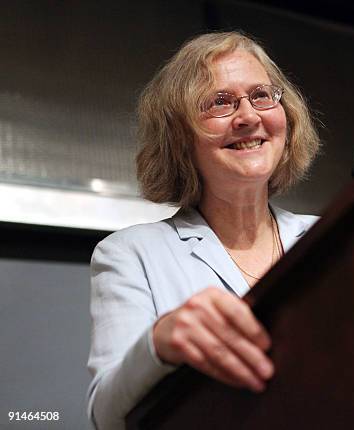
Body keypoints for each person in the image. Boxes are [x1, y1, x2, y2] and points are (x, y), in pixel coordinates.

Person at [86, 31, 321, 430]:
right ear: (179, 138)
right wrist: (159, 343)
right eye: (219, 102)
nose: (248, 117)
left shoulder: (327, 238)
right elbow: (105, 417)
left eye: (262, 95)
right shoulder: (129, 254)